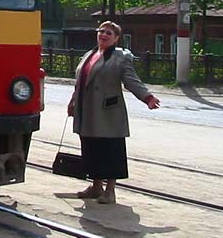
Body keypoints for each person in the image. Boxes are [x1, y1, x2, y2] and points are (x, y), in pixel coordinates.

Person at [67, 20, 160, 204]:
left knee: (111, 151)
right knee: (91, 148)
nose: (103, 35)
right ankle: (95, 187)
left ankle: (110, 191)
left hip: (108, 112)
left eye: (109, 33)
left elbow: (131, 80)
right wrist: (73, 102)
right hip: (87, 110)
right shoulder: (89, 54)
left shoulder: (120, 57)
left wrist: (147, 97)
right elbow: (81, 83)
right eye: (101, 31)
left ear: (116, 38)